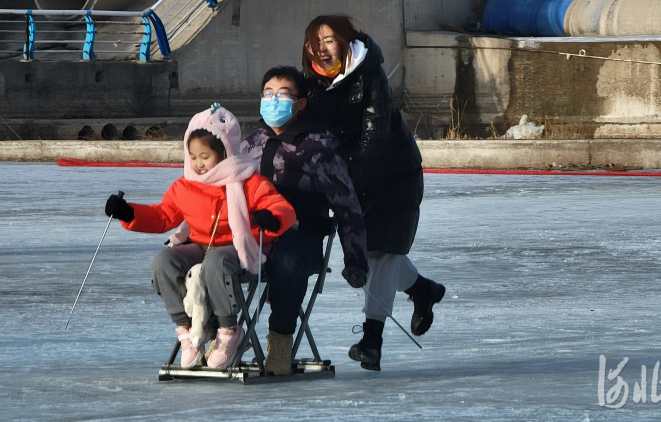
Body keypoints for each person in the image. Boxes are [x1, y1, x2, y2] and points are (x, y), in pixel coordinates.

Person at [104, 104, 296, 370]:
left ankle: (229, 332)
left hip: (240, 249)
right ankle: (187, 332)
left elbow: (281, 207)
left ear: (225, 152)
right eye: (193, 156)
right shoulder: (184, 186)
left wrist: (272, 218)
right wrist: (127, 212)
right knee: (164, 260)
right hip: (200, 245)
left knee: (216, 261)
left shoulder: (248, 181)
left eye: (205, 156)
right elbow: (163, 217)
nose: (198, 164)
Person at [302, 15, 446, 371]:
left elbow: (374, 139)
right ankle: (422, 290)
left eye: (330, 40)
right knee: (382, 252)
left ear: (347, 42)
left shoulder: (369, 76)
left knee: (381, 253)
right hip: (354, 176)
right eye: (315, 42)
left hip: (394, 174)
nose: (322, 49)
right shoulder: (312, 84)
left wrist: (340, 185)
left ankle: (372, 340)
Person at [240, 65, 370, 373]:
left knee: (287, 261)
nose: (274, 100)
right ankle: (226, 331)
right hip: (254, 237)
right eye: (268, 94)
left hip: (301, 239)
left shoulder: (318, 147)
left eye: (283, 95)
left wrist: (356, 259)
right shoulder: (247, 145)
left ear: (301, 103)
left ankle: (280, 339)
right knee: (211, 260)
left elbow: (347, 206)